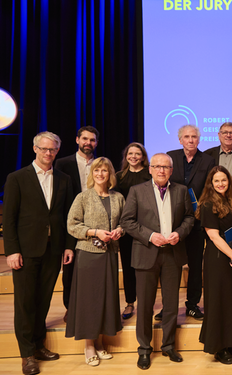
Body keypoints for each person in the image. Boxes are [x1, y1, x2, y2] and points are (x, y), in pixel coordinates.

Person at [3, 131, 74, 375]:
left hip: (53, 250)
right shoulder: (17, 178)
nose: (48, 153)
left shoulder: (64, 179)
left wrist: (67, 245)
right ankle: (27, 355)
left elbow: (65, 217)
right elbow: (9, 219)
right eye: (44, 149)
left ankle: (38, 345)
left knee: (43, 300)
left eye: (53, 150)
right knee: (25, 303)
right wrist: (12, 251)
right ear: (35, 149)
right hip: (25, 250)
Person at [120, 153, 195, 370]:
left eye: (166, 167)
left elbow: (190, 218)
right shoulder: (137, 191)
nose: (161, 170)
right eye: (157, 166)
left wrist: (179, 233)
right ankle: (144, 349)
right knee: (144, 305)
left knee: (171, 304)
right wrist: (150, 236)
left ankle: (169, 345)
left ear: (171, 170)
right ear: (150, 169)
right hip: (146, 253)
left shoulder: (181, 190)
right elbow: (127, 221)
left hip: (173, 254)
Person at [65, 157, 125, 367]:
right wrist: (94, 232)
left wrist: (119, 230)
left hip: (109, 254)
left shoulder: (118, 197)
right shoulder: (83, 197)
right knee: (89, 300)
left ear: (110, 175)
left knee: (105, 299)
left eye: (105, 171)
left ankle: (99, 342)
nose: (101, 174)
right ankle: (89, 346)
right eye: (97, 170)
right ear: (92, 174)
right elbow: (72, 226)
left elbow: (125, 222)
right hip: (88, 255)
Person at [197, 166, 232, 365]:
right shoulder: (207, 204)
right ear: (211, 183)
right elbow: (213, 236)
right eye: (216, 181)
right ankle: (219, 348)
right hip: (218, 258)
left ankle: (231, 340)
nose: (221, 184)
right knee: (219, 301)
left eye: (224, 180)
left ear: (229, 182)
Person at [166, 125, 217, 320]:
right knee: (172, 265)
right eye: (186, 137)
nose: (190, 140)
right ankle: (169, 306)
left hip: (196, 221)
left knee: (196, 265)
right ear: (180, 140)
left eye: (194, 137)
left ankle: (193, 304)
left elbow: (210, 188)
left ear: (199, 139)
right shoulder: (170, 156)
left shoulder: (208, 160)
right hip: (173, 222)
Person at [54, 125, 99, 319]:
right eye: (85, 139)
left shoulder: (101, 163)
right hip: (71, 221)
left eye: (92, 140)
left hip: (96, 222)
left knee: (93, 266)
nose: (88, 143)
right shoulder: (63, 164)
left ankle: (93, 306)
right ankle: (70, 307)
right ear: (77, 140)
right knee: (70, 267)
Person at [115, 142, 151, 320]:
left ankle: (146, 302)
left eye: (138, 154)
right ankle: (130, 303)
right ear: (126, 156)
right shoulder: (119, 177)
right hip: (126, 228)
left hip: (147, 227)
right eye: (131, 153)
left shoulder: (149, 174)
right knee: (128, 267)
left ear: (143, 156)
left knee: (145, 267)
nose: (134, 157)